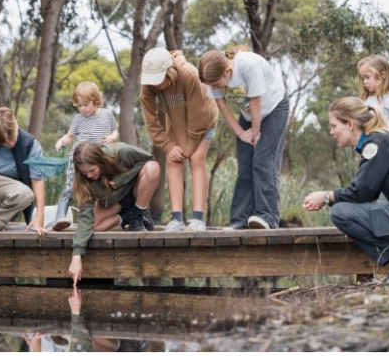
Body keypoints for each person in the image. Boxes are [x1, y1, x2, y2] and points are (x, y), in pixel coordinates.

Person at [303, 97, 389, 284]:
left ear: (351, 124)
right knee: (344, 209)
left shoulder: (375, 145)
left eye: (334, 126)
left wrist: (327, 196)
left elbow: (361, 193)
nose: (331, 132)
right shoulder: (376, 143)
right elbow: (368, 194)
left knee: (340, 212)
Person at [198, 47, 288, 230]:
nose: (214, 88)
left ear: (227, 72)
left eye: (216, 84)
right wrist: (241, 133)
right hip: (249, 116)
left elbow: (256, 102)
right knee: (245, 164)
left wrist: (255, 135)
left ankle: (267, 217)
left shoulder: (248, 65)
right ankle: (240, 219)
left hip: (274, 110)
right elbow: (221, 104)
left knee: (263, 160)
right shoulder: (212, 76)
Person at [140, 48, 218, 232]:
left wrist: (186, 151)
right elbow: (151, 122)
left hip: (203, 121)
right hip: (177, 123)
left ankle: (198, 219)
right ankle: (177, 219)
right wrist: (169, 147)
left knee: (197, 159)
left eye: (159, 79)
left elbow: (198, 116)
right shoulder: (148, 84)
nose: (156, 85)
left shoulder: (189, 74)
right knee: (172, 159)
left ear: (169, 71)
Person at [68, 142, 161, 286]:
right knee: (93, 226)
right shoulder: (84, 181)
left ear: (100, 160)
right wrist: (76, 256)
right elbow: (85, 218)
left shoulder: (120, 152)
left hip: (136, 191)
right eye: (84, 172)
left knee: (153, 168)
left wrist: (120, 181)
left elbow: (150, 160)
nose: (89, 175)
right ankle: (126, 216)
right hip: (116, 202)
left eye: (92, 170)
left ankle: (138, 212)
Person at [53, 81, 119, 231]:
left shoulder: (107, 114)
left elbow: (115, 131)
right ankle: (60, 217)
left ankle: (103, 216)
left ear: (95, 101)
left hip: (98, 159)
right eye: (79, 105)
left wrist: (111, 137)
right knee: (71, 186)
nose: (82, 108)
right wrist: (61, 141)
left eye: (85, 104)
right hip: (78, 159)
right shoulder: (78, 119)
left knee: (103, 186)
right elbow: (70, 137)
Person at [357, 55, 389, 133]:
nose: (364, 82)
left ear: (382, 75)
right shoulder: (365, 99)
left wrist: (383, 137)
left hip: (383, 143)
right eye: (363, 79)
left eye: (367, 77)